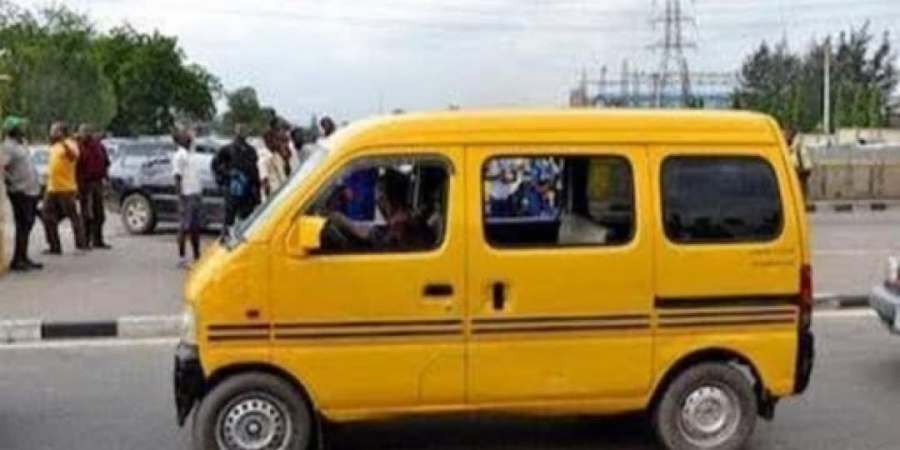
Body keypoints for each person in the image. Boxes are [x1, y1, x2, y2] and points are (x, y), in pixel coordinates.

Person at [2, 116, 43, 271]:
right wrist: (11, 182)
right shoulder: (7, 147)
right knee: (23, 224)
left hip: (30, 190)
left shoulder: (21, 144)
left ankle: (23, 256)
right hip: (20, 191)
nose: (23, 129)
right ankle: (18, 260)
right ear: (13, 130)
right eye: (20, 127)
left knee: (28, 223)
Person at [43, 121, 87, 254]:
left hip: (66, 188)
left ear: (61, 132)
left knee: (73, 216)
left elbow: (74, 156)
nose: (52, 132)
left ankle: (81, 245)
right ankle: (54, 246)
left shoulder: (70, 143)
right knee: (46, 216)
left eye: (54, 130)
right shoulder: (53, 146)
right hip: (52, 188)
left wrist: (64, 142)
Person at [212, 124, 260, 234]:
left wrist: (257, 192)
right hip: (232, 190)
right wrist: (228, 174)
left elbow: (255, 171)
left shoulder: (251, 151)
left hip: (248, 191)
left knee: (247, 220)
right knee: (229, 219)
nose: (243, 133)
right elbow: (215, 166)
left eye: (245, 130)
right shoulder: (227, 150)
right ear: (236, 133)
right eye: (240, 130)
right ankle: (226, 239)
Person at [76, 124, 112, 249]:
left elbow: (106, 163)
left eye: (88, 131)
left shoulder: (99, 146)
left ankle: (98, 239)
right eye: (83, 132)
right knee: (86, 214)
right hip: (84, 183)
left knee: (99, 214)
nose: (86, 134)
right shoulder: (77, 147)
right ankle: (85, 240)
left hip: (97, 182)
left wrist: (106, 180)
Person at [172, 128, 203, 267]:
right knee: (185, 227)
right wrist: (180, 197)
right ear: (180, 140)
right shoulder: (180, 155)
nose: (189, 137)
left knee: (195, 226)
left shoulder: (190, 153)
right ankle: (182, 257)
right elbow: (177, 177)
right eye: (185, 135)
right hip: (187, 194)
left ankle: (197, 255)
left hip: (195, 192)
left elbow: (195, 136)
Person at [259, 119, 290, 201]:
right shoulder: (263, 158)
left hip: (283, 195)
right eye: (276, 139)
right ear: (268, 141)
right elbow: (265, 184)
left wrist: (286, 159)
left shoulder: (278, 155)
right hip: (273, 199)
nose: (278, 142)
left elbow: (287, 172)